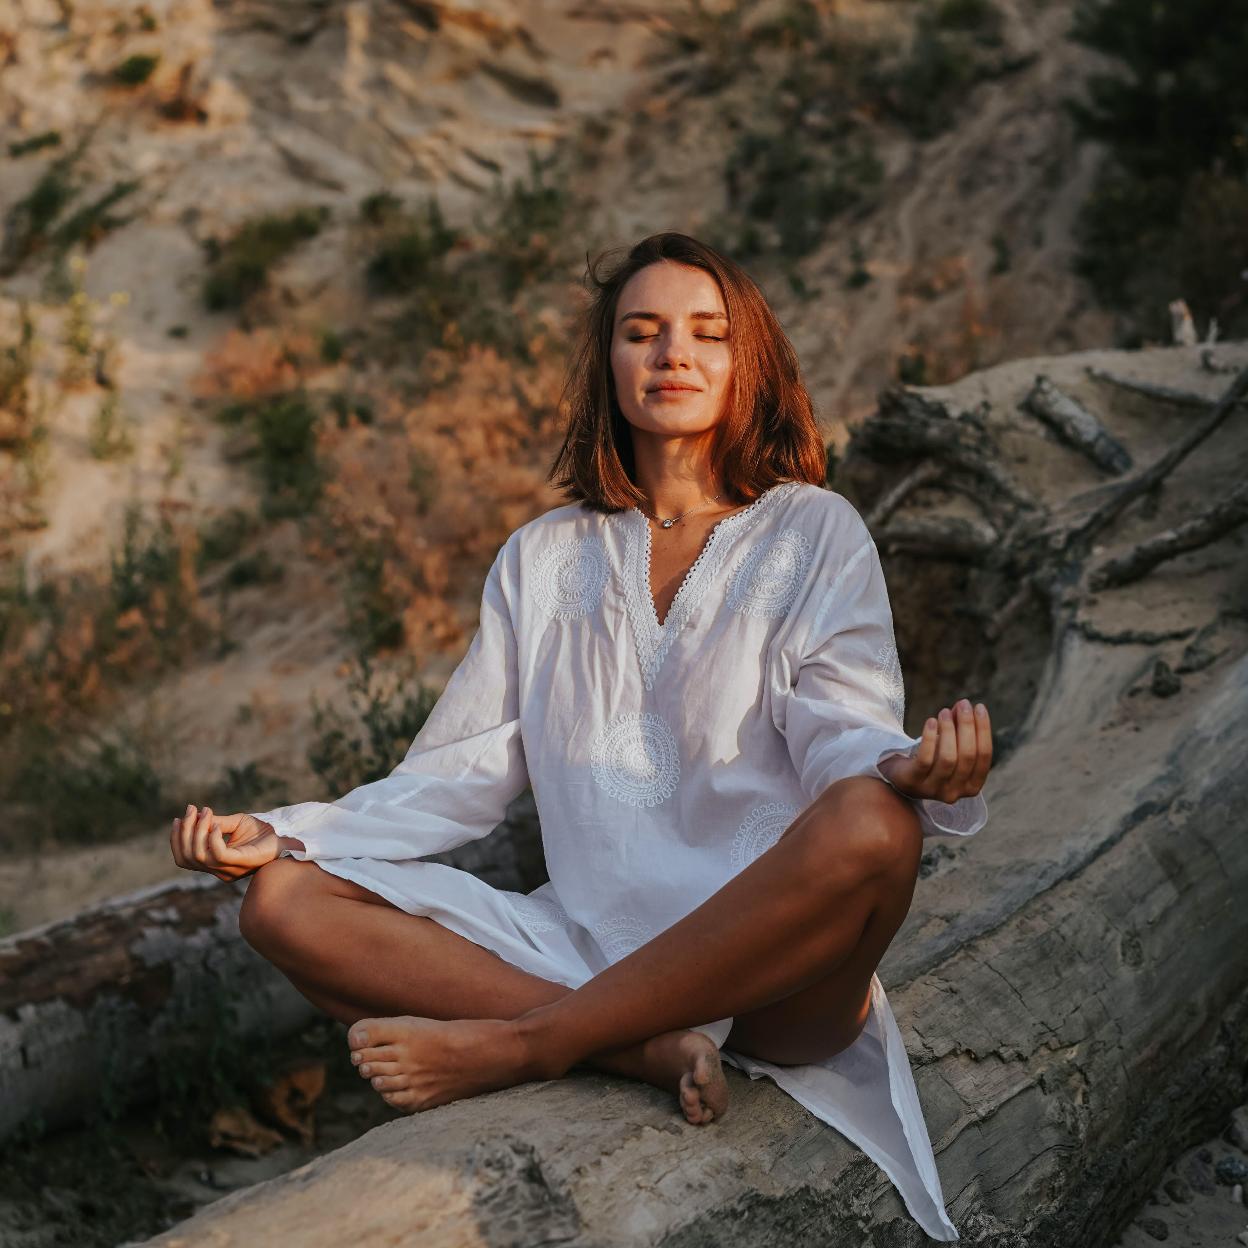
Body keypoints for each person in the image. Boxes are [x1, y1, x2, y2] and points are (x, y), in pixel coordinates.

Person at [171, 231, 991, 1241]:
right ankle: (635, 1046)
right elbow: (457, 773)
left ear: (750, 365)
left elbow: (839, 721)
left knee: (878, 823)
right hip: (583, 945)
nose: (672, 354)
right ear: (609, 364)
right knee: (284, 904)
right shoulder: (544, 558)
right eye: (641, 333)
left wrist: (904, 766)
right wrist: (287, 831)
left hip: (773, 970)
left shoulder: (812, 530)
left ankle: (527, 1045)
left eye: (705, 333)